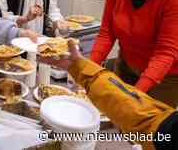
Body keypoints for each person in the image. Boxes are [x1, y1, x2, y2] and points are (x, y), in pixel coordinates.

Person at [38, 40, 178, 150]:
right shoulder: (163, 130)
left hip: (164, 77)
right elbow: (150, 123)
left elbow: (151, 127)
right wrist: (83, 68)